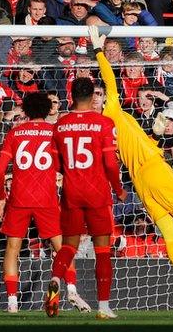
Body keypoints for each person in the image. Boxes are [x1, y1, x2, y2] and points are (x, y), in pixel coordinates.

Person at [89, 25, 173, 302]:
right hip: (154, 169)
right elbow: (110, 80)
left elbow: (127, 148)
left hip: (140, 182)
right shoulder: (111, 111)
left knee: (169, 231)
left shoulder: (96, 129)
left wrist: (156, 136)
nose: (102, 98)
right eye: (96, 96)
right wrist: (99, 50)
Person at [0, 92, 88, 314]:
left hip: (19, 197)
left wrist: (1, 197)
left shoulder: (15, 132)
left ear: (25, 110)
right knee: (61, 247)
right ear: (48, 110)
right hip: (46, 198)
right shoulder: (54, 132)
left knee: (12, 249)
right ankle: (72, 289)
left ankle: (12, 303)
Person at [46, 76, 125, 319]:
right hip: (97, 192)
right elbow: (111, 164)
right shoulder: (103, 123)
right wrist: (118, 188)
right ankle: (103, 307)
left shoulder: (60, 125)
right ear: (93, 97)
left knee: (69, 245)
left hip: (71, 192)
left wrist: (71, 171)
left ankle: (56, 280)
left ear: (70, 96)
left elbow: (56, 162)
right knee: (102, 250)